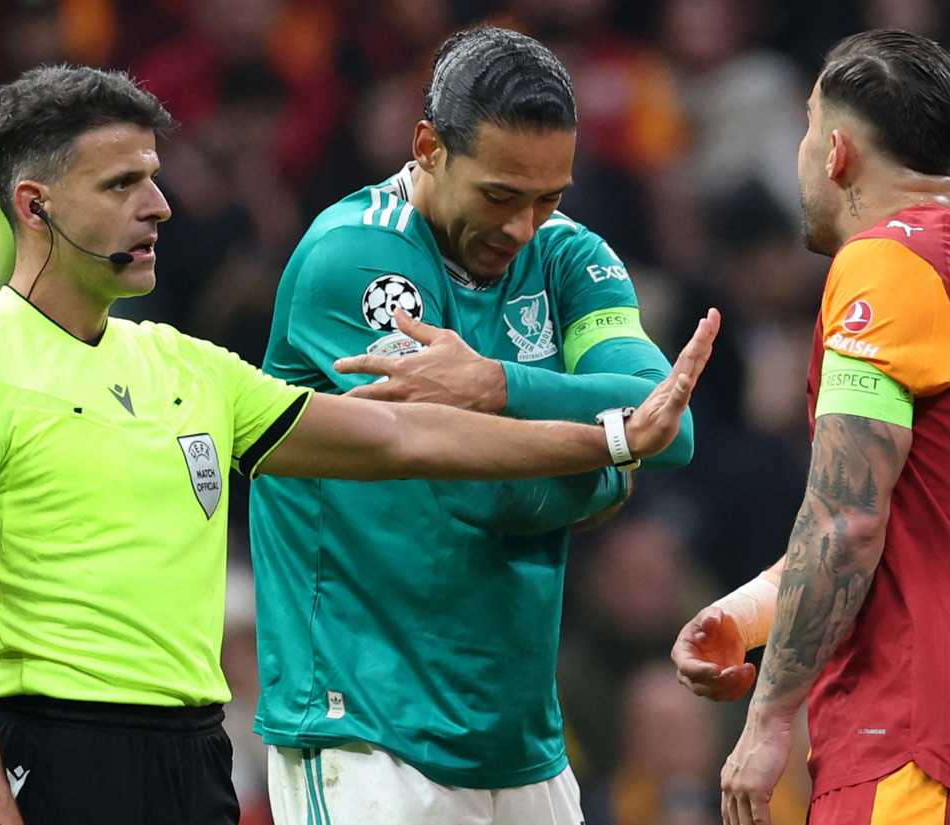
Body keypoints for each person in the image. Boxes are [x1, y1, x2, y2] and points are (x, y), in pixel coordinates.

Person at [0, 64, 717, 825]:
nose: (159, 205)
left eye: (155, 178)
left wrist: (609, 436)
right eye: (123, 183)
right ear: (37, 205)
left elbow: (402, 437)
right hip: (63, 746)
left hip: (196, 752)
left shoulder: (189, 365)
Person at [248, 25, 695, 825]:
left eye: (548, 196)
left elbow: (670, 416)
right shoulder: (356, 260)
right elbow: (465, 479)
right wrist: (606, 458)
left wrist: (494, 385)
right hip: (365, 727)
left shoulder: (568, 257)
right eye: (499, 195)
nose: (523, 226)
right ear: (428, 147)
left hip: (517, 733)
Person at [672, 30, 950, 825]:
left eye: (807, 128)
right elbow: (894, 519)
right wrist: (750, 617)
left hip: (917, 746)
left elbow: (845, 519)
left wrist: (766, 719)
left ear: (838, 152)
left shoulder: (886, 265)